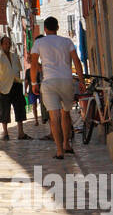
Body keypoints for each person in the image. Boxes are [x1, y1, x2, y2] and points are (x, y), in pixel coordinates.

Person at [30, 16, 84, 159]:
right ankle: (67, 144)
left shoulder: (39, 43)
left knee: (54, 117)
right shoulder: (67, 41)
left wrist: (34, 82)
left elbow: (34, 64)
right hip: (66, 80)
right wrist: (82, 81)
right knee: (66, 113)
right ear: (58, 27)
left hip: (49, 82)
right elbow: (77, 61)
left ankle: (59, 150)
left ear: (45, 29)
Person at [0, 35, 30, 141]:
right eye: (5, 43)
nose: (7, 45)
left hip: (16, 84)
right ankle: (5, 133)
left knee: (20, 108)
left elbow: (19, 70)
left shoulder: (15, 56)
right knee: (4, 110)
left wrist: (22, 85)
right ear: (1, 44)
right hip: (4, 86)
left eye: (8, 43)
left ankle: (21, 132)